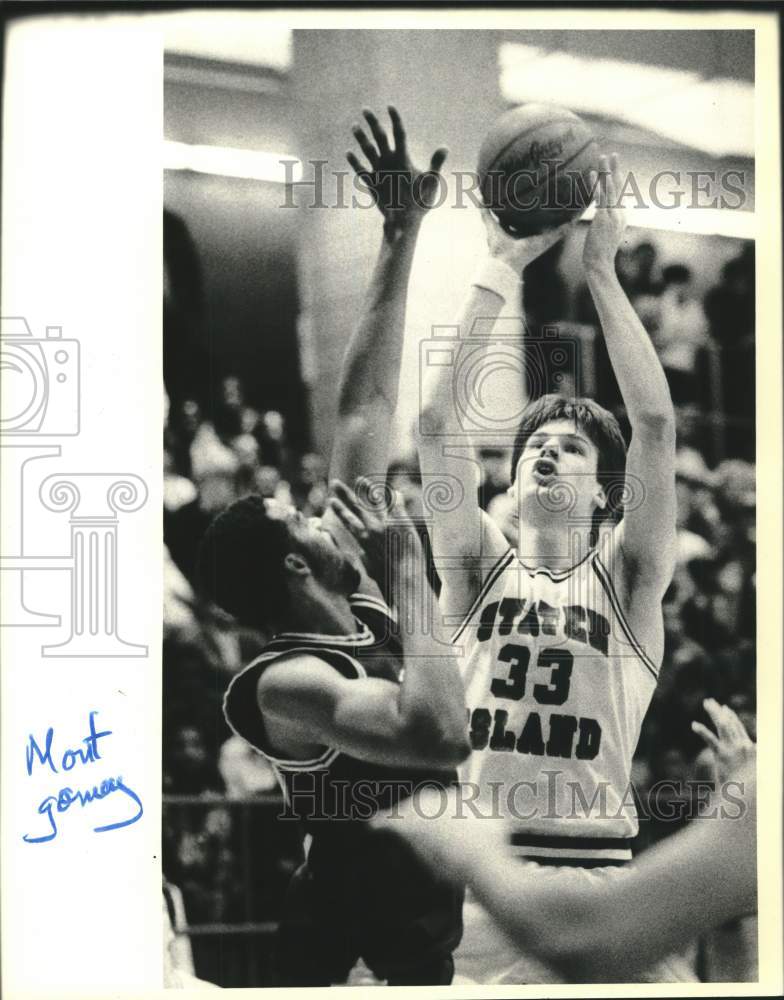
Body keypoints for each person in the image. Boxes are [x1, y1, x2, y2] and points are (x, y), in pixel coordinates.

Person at [199, 107, 469, 986]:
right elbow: (438, 736)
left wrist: (401, 232)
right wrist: (411, 580)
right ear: (293, 564)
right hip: (350, 961)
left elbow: (362, 411)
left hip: (418, 940)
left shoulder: (353, 595)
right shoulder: (286, 683)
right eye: (305, 519)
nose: (326, 517)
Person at [417, 154, 682, 982]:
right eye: (535, 441)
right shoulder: (474, 570)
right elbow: (434, 425)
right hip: (481, 890)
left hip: (597, 879)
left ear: (604, 493)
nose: (545, 450)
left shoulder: (627, 580)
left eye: (569, 447)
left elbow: (655, 426)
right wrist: (500, 266)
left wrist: (599, 270)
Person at [371, 699, 756, 983]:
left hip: (535, 887)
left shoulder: (761, 787)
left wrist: (472, 849)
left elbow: (584, 940)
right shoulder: (759, 788)